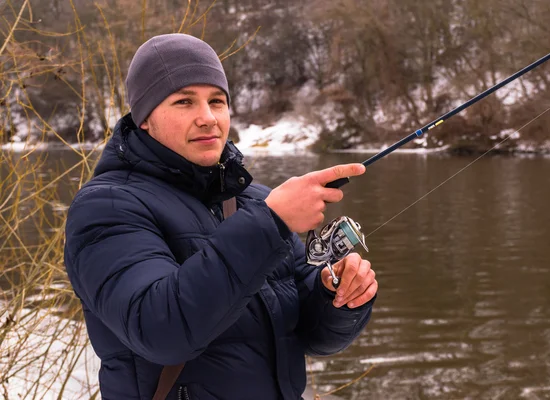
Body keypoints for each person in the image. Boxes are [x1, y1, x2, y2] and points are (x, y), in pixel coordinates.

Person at [64, 33, 378, 400]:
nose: (208, 118)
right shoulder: (105, 207)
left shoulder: (253, 201)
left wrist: (338, 297)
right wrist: (272, 222)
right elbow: (160, 330)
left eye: (217, 101)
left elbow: (314, 338)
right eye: (184, 102)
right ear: (144, 118)